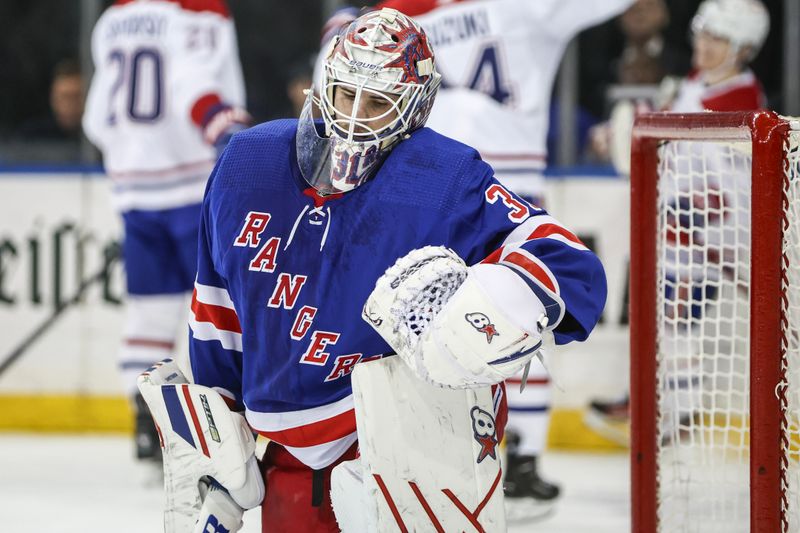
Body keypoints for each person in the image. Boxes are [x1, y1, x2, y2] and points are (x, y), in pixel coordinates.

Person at [185, 8, 606, 532]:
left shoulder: (442, 176)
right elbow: (218, 314)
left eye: (379, 103)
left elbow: (571, 263)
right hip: (288, 467)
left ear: (414, 110)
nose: (355, 118)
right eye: (346, 95)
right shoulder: (247, 165)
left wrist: (495, 297)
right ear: (323, 85)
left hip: (415, 464)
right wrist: (219, 454)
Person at [358, 0, 631, 509]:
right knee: (509, 315)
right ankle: (516, 461)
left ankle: (439, 459)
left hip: (434, 176)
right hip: (487, 179)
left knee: (430, 312)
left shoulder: (405, 12)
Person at [586, 0, 769, 441]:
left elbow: (737, 191)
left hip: (702, 241)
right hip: (676, 233)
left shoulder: (740, 101)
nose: (704, 46)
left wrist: (692, 214)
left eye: (719, 39)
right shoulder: (696, 82)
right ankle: (650, 401)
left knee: (676, 323)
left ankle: (676, 414)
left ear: (743, 49)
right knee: (660, 319)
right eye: (703, 34)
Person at [82, 0, 248, 465]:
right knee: (224, 309)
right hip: (196, 184)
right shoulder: (199, 10)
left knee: (149, 313)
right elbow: (194, 86)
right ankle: (231, 422)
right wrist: (228, 133)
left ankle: (146, 422)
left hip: (134, 188)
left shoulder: (114, 18)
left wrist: (135, 155)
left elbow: (97, 118)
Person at [18, 59, 84, 142]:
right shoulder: (33, 135)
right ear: (53, 99)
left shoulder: (98, 133)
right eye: (64, 97)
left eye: (76, 97)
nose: (69, 105)